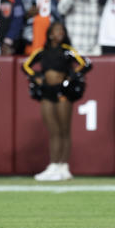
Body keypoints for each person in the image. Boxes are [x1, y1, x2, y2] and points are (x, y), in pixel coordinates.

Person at [22, 21, 91, 181]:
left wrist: (71, 76)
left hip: (63, 91)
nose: (59, 33)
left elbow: (86, 64)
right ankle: (53, 165)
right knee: (53, 130)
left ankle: (63, 166)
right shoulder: (42, 51)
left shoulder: (68, 51)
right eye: (56, 30)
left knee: (64, 129)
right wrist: (36, 77)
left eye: (62, 30)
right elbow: (25, 65)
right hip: (47, 91)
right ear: (50, 33)